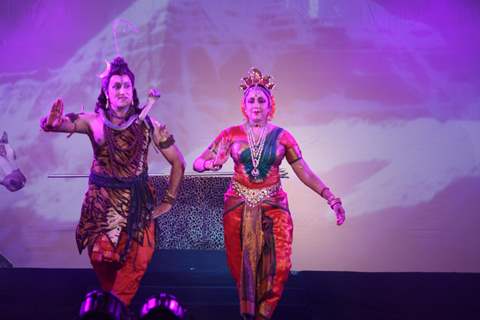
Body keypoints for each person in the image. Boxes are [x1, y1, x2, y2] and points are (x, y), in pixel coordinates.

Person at [193, 68, 346, 320]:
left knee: (281, 266)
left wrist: (330, 197)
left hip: (274, 206)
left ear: (270, 105)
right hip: (238, 207)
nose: (256, 105)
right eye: (251, 100)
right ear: (244, 105)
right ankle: (250, 315)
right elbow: (198, 162)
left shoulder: (283, 136)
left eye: (261, 100)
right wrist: (210, 164)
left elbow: (304, 172)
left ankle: (263, 315)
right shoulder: (230, 134)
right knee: (243, 270)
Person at [40, 57, 185, 307]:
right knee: (101, 259)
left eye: (126, 86)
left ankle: (113, 310)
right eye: (116, 86)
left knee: (137, 262)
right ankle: (116, 309)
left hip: (137, 208)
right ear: (106, 92)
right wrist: (51, 123)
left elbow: (178, 162)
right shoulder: (93, 121)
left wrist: (169, 201)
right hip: (101, 209)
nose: (122, 91)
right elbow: (60, 124)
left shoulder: (150, 124)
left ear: (133, 91)